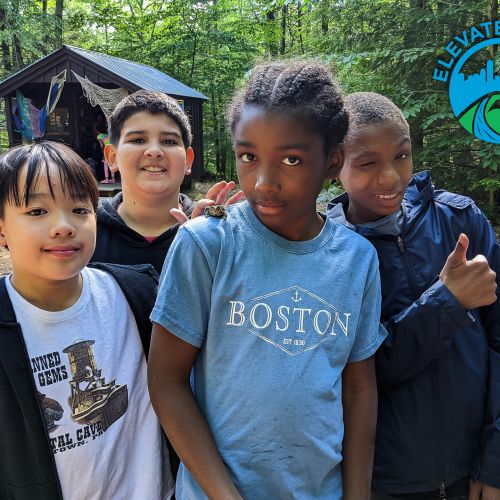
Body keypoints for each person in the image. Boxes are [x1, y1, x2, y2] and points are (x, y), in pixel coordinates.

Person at [147, 60, 387, 499]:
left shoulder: (357, 260)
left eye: (291, 159)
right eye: (248, 157)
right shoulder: (208, 245)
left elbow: (359, 387)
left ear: (333, 161)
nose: (264, 181)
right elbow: (166, 381)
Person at [326, 92, 500, 500]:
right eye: (368, 163)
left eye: (401, 156)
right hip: (385, 482)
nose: (390, 177)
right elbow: (359, 373)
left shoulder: (461, 221)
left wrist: (496, 457)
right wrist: (447, 302)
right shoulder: (329, 252)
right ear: (335, 165)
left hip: (474, 472)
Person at [0, 141, 173, 499]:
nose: (63, 226)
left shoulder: (138, 293)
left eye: (80, 209)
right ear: (2, 229)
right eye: (36, 211)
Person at [90, 90, 242, 274]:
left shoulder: (214, 229)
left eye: (169, 141)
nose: (154, 151)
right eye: (138, 140)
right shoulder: (86, 229)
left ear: (188, 160)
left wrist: (214, 246)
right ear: (112, 157)